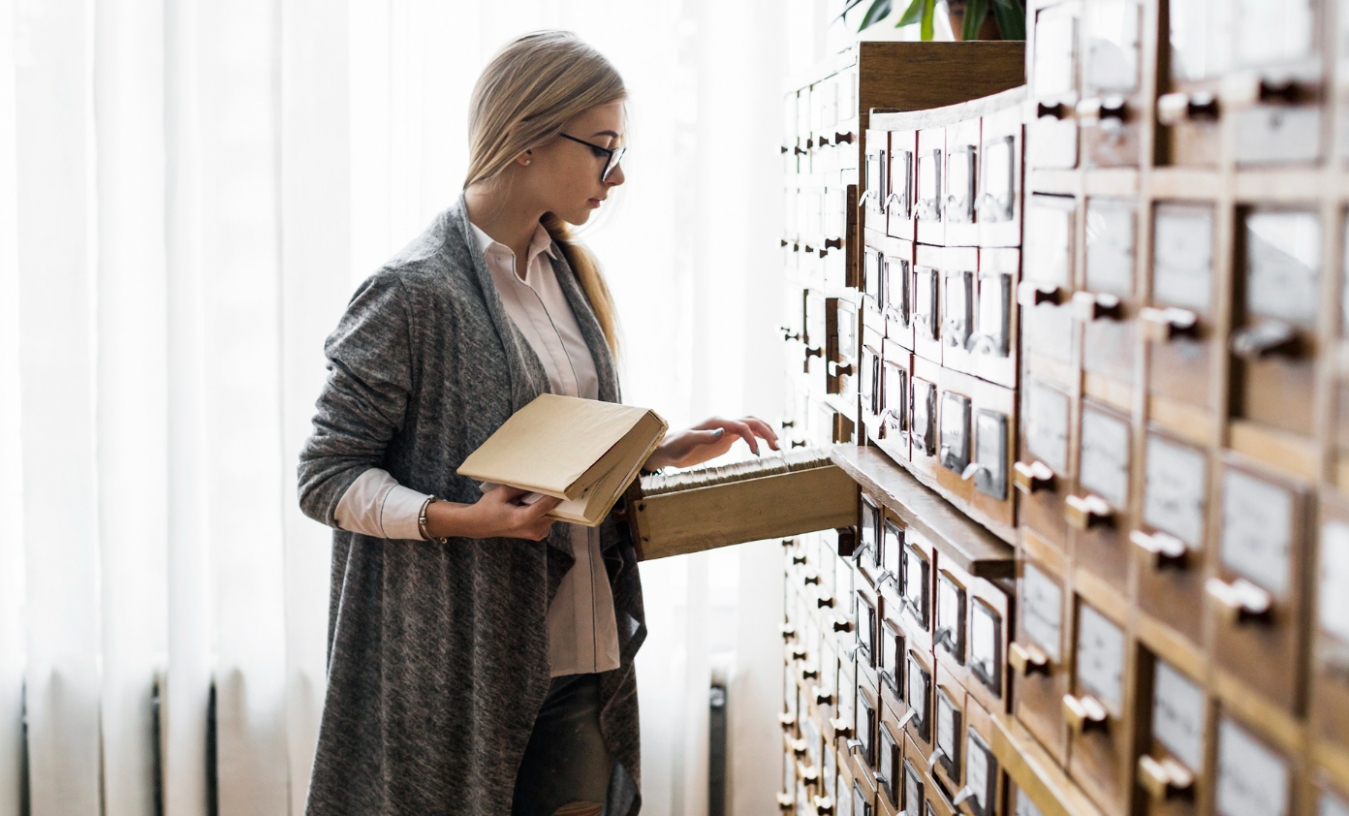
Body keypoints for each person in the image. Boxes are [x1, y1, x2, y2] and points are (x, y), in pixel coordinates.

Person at [297, 30, 778, 816]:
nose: (616, 175)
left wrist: (653, 452)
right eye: (602, 148)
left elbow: (551, 449)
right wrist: (466, 519)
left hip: (584, 654)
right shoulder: (411, 292)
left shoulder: (565, 274)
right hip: (469, 669)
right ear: (525, 138)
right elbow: (325, 478)